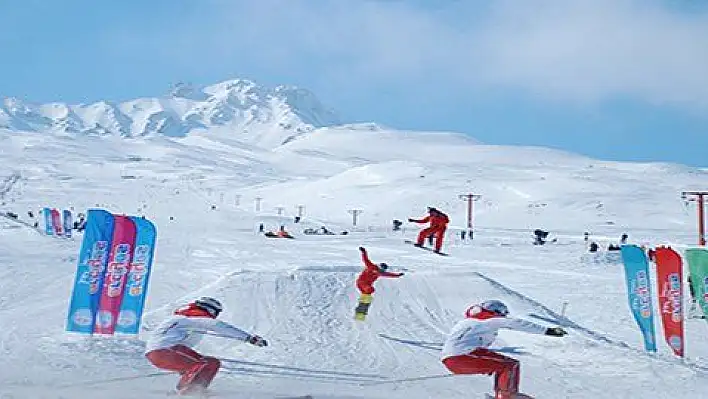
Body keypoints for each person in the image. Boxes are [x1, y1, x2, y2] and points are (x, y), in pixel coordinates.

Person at [441, 300, 567, 399]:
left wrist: (486, 364)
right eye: (502, 312)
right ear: (494, 311)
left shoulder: (468, 322)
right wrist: (548, 331)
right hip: (464, 355)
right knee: (510, 365)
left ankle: (503, 393)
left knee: (502, 365)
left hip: (452, 359)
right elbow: (516, 323)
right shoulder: (489, 320)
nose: (504, 315)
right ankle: (507, 395)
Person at [145, 297, 268, 395]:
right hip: (166, 350)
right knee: (206, 363)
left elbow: (182, 344)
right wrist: (249, 338)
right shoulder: (193, 316)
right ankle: (189, 392)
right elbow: (219, 326)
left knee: (210, 363)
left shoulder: (183, 317)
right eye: (217, 312)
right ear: (209, 309)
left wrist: (188, 370)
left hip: (161, 352)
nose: (216, 315)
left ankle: (193, 389)